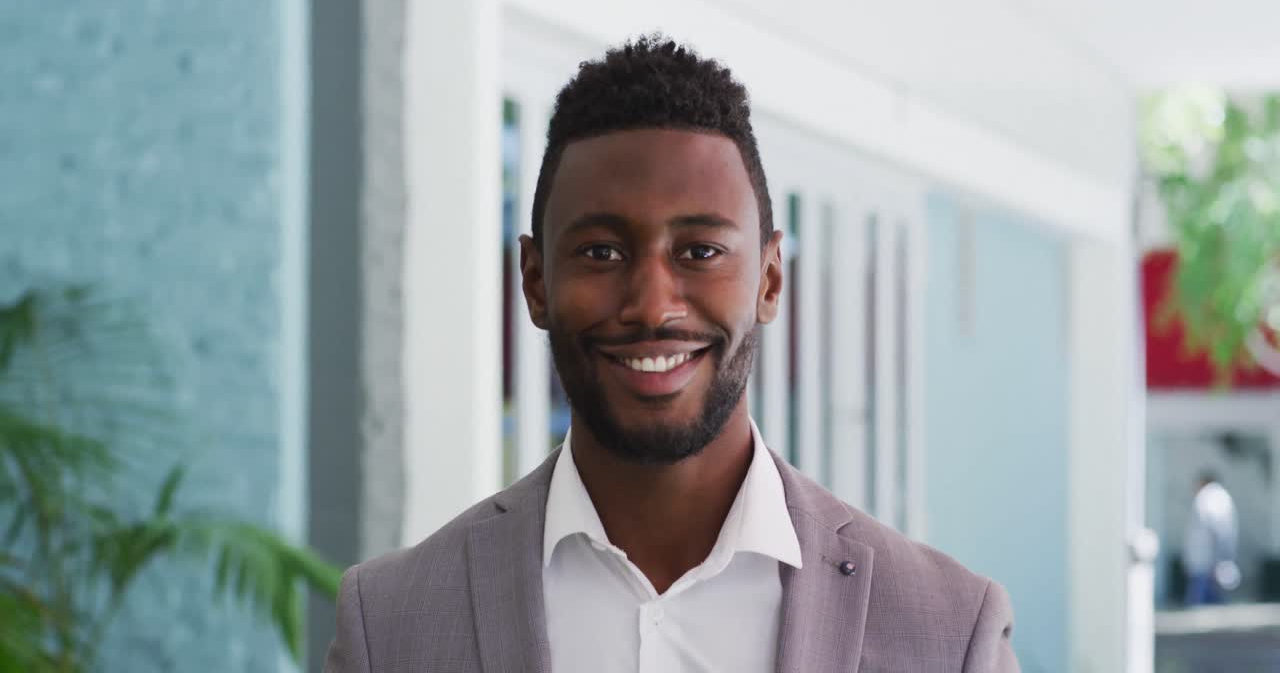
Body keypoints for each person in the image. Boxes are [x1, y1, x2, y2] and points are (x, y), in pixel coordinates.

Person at [324, 35, 1018, 672]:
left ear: (769, 280)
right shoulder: (389, 624)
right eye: (602, 252)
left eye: (700, 251)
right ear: (535, 282)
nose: (653, 306)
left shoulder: (950, 631)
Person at [1183, 472, 1239, 606]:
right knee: (1211, 589)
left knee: (1202, 588)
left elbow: (1214, 525)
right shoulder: (1220, 496)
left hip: (1208, 552)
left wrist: (1218, 553)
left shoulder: (1209, 497)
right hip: (1211, 552)